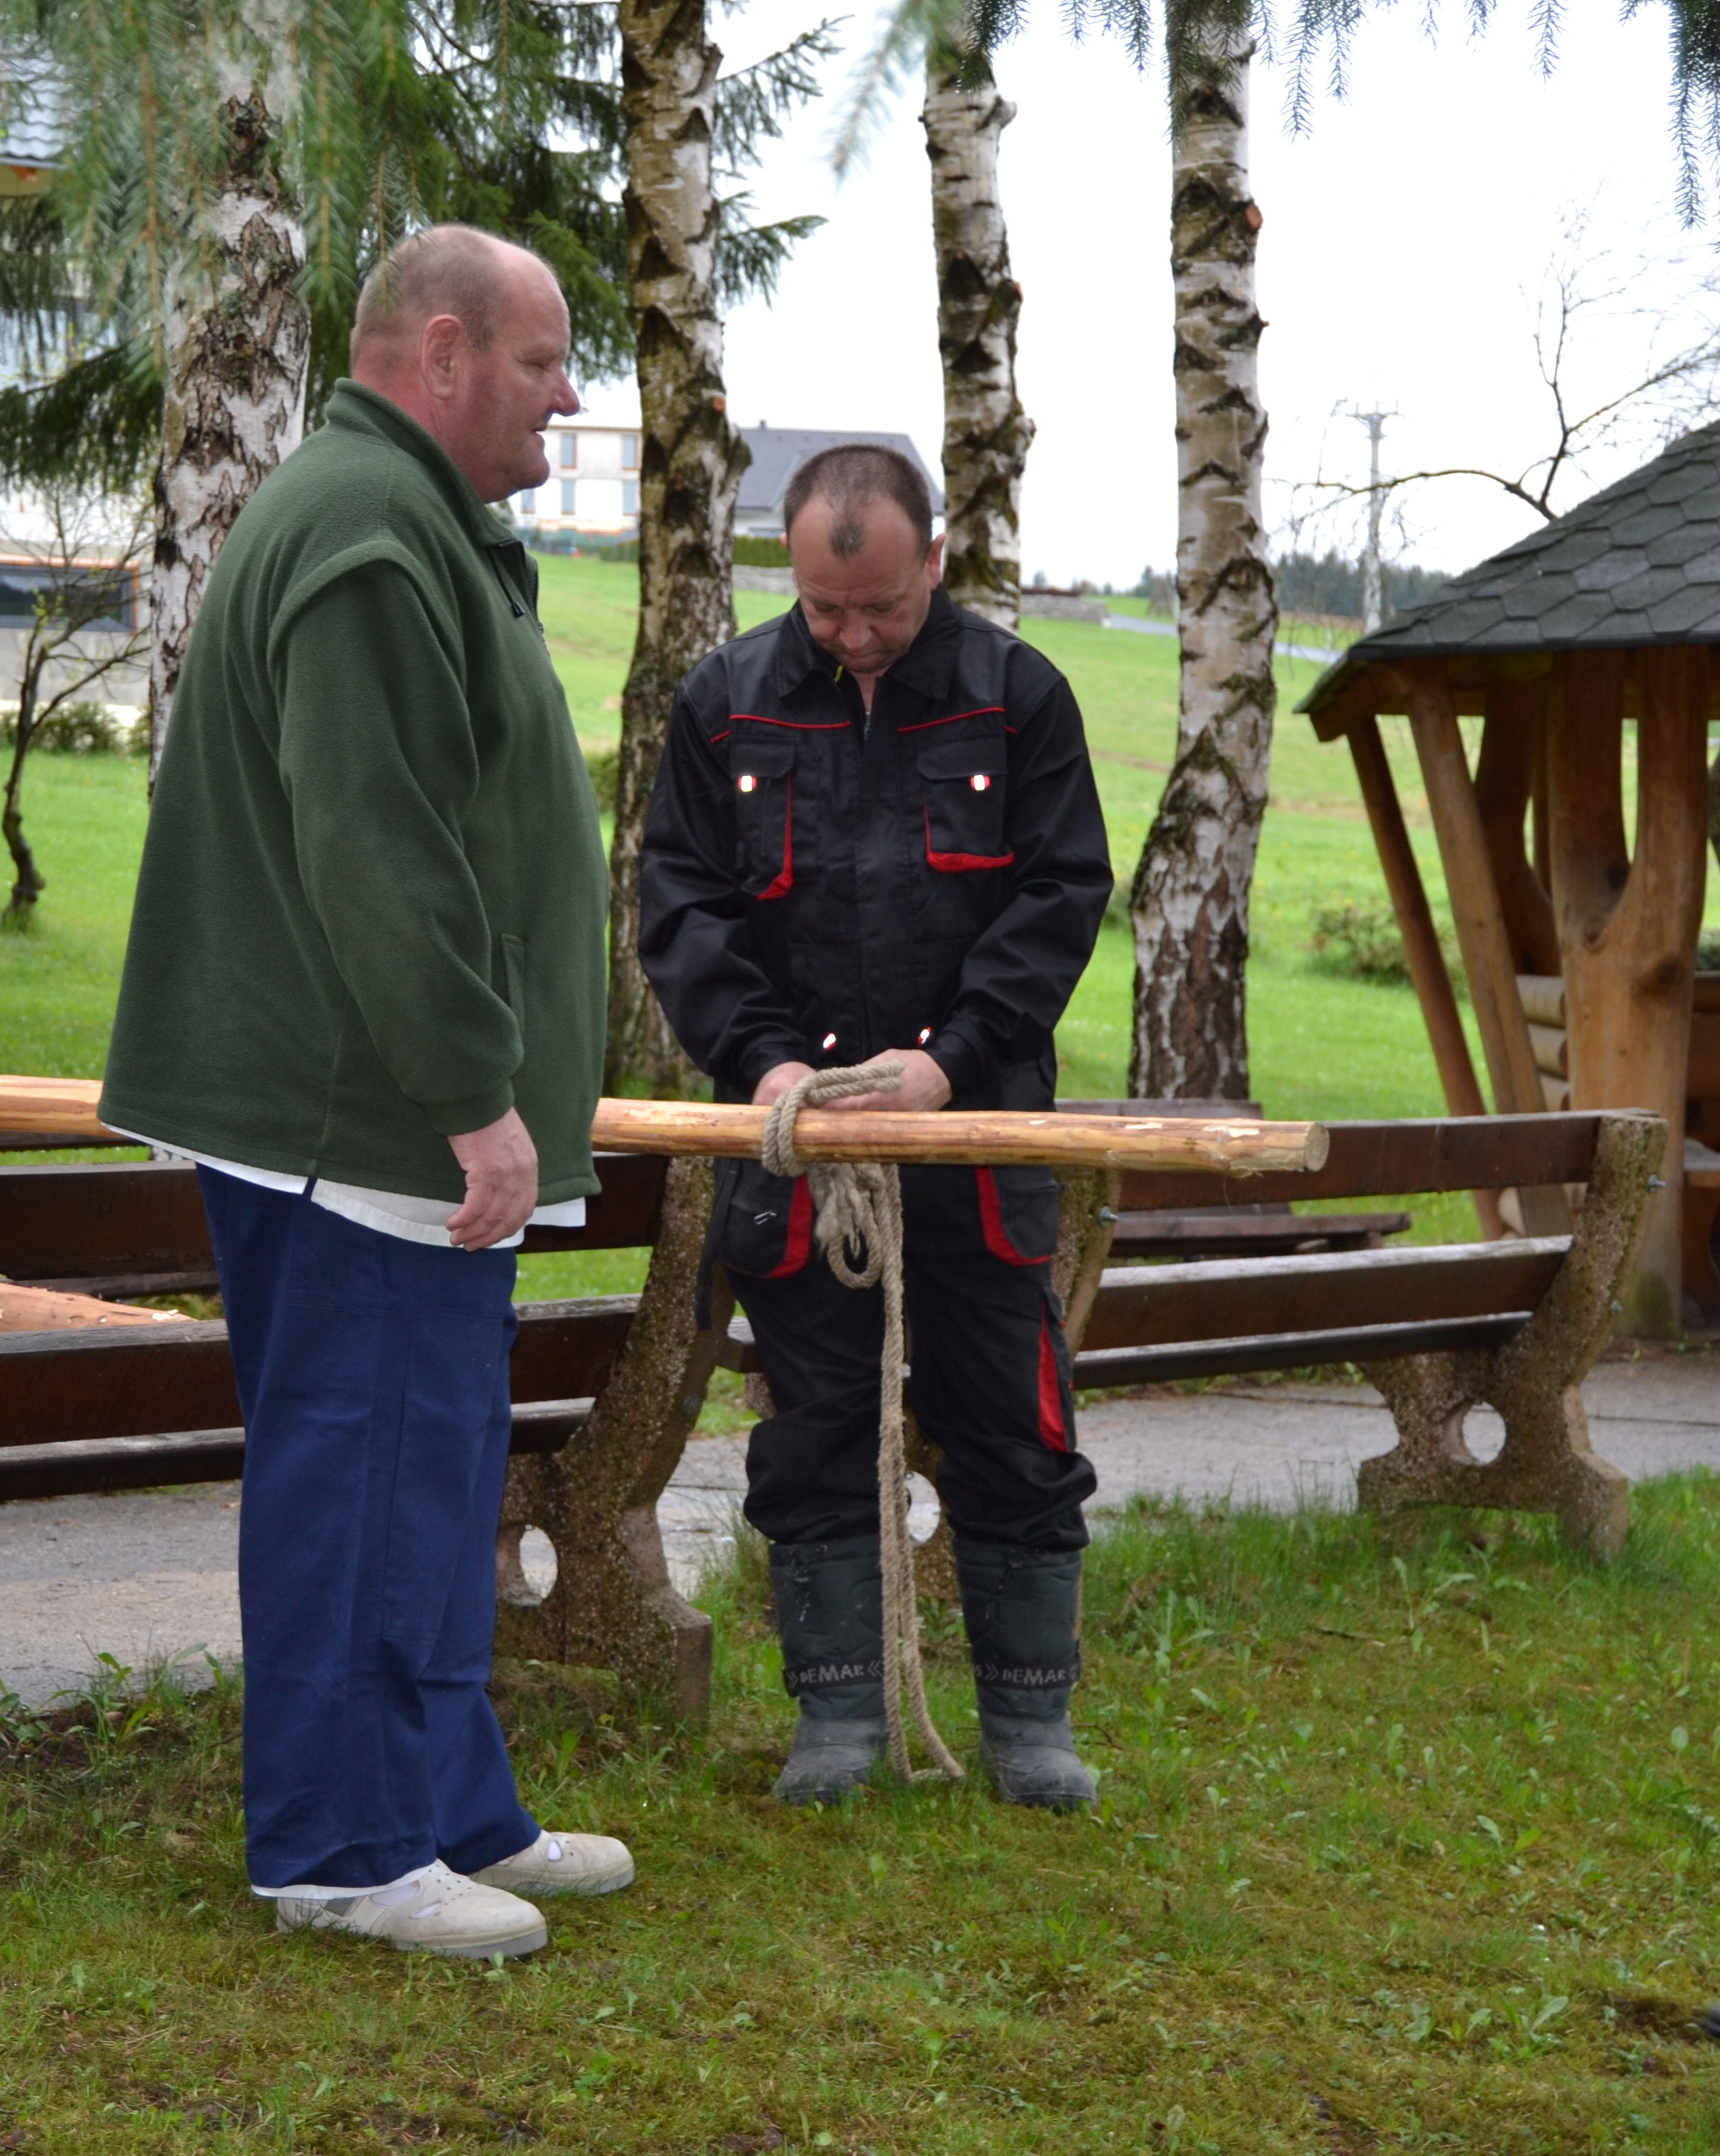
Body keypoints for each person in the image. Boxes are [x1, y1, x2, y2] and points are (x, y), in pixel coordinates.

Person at [99, 225, 631, 1958]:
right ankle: (339, 1847)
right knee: (368, 1469)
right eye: (545, 361)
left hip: (390, 1121)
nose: (569, 396)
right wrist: (473, 1091)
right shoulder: (369, 529)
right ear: (443, 354)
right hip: (362, 1119)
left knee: (434, 1470)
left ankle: (448, 1809)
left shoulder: (406, 513)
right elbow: (376, 845)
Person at [638, 443, 1114, 1809]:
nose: (852, 636)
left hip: (976, 1144)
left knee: (1015, 1424)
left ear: (936, 564)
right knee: (815, 1431)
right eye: (826, 609)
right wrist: (763, 1063)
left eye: (883, 610)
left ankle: (1030, 1727)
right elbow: (681, 901)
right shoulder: (724, 701)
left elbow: (1061, 895)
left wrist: (949, 1064)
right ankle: (838, 1719)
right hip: (800, 1152)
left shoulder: (1021, 697)